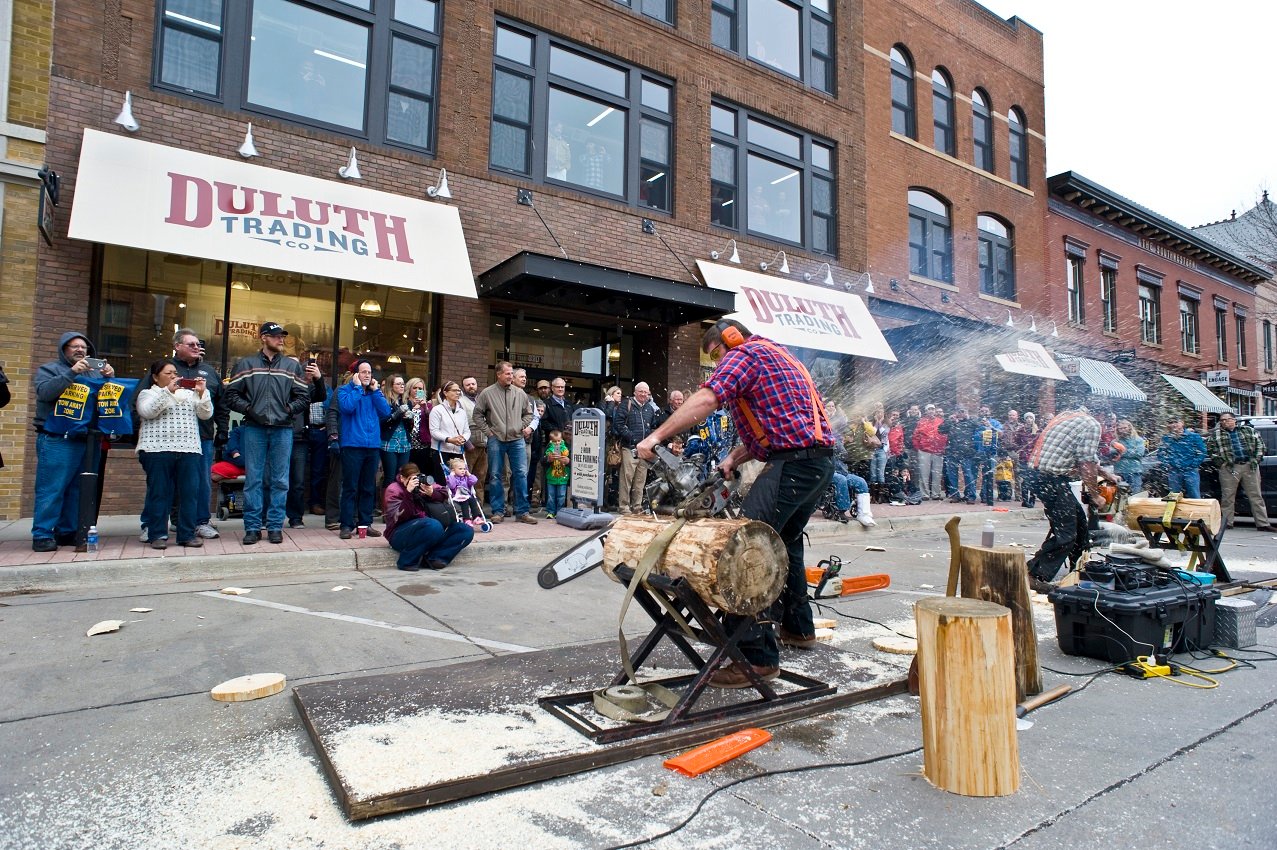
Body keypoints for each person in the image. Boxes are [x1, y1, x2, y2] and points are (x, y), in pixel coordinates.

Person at [637, 319, 835, 689]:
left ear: (730, 339)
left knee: (747, 546)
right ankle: (798, 627)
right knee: (785, 542)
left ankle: (755, 659)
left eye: (716, 356)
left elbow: (708, 398)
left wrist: (656, 436)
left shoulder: (746, 353)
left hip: (793, 464)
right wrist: (735, 458)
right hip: (816, 463)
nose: (716, 365)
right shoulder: (778, 355)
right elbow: (780, 427)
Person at [223, 322, 310, 545]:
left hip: (283, 429)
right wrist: (251, 410)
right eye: (276, 336)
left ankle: (274, 527)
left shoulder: (292, 367)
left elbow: (303, 397)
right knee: (254, 479)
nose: (281, 340)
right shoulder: (246, 364)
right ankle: (252, 527)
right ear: (263, 338)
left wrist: (288, 410)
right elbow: (231, 395)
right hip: (254, 428)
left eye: (282, 336)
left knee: (280, 480)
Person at [31, 332, 116, 552]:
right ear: (63, 349)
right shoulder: (49, 370)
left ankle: (67, 531)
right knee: (52, 488)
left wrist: (109, 379)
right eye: (74, 347)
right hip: (58, 439)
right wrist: (71, 373)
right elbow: (45, 392)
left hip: (88, 439)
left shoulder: (96, 373)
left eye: (84, 348)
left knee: (79, 489)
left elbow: (106, 403)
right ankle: (42, 534)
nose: (80, 350)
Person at [1025, 393, 1107, 590]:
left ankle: (1079, 571)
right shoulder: (1093, 424)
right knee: (1067, 533)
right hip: (1050, 478)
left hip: (1039, 476)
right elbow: (1086, 462)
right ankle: (1033, 575)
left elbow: (1087, 456)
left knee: (1080, 526)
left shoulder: (1068, 416)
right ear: (1103, 414)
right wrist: (1095, 495)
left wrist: (1107, 475)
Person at [135, 359, 212, 548]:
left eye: (175, 373)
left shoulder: (189, 393)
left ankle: (186, 534)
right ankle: (157, 534)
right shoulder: (147, 393)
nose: (173, 376)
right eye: (168, 373)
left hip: (189, 448)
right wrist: (168, 391)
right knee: (159, 492)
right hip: (157, 449)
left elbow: (205, 414)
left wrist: (202, 393)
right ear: (155, 377)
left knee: (189, 493)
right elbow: (147, 412)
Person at [171, 328, 228, 540]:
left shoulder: (210, 372)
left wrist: (223, 429)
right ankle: (174, 520)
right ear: (177, 346)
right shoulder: (166, 369)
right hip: (172, 437)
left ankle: (202, 521)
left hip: (202, 436)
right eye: (191, 344)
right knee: (172, 480)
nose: (197, 347)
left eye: (198, 344)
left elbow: (221, 405)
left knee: (202, 480)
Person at [472, 360, 536, 524]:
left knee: (521, 474)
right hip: (496, 439)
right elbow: (477, 415)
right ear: (498, 374)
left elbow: (529, 414)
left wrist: (519, 426)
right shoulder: (487, 393)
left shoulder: (520, 393)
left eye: (511, 373)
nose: (511, 376)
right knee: (495, 476)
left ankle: (522, 512)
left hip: (517, 440)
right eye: (508, 373)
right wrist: (489, 432)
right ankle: (498, 511)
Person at [335, 359, 391, 539]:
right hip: (352, 445)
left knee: (368, 488)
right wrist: (358, 388)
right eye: (363, 372)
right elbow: (347, 408)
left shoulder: (375, 393)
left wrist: (376, 392)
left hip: (372, 446)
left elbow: (386, 412)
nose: (367, 375)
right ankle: (346, 525)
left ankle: (365, 524)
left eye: (369, 372)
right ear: (355, 375)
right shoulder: (345, 391)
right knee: (350, 487)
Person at [383, 463, 473, 571]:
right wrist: (408, 493)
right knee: (433, 525)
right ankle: (407, 561)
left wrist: (432, 493)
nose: (415, 482)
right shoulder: (394, 489)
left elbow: (446, 493)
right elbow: (398, 517)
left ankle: (434, 558)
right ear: (402, 478)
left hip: (428, 529)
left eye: (416, 478)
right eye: (411, 479)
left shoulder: (422, 483)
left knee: (465, 530)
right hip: (399, 532)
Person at [1206, 412, 1274, 531]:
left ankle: (1263, 523)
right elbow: (1211, 450)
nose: (1224, 422)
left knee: (1256, 496)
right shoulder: (1216, 434)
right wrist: (1221, 464)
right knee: (1228, 496)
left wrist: (1255, 460)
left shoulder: (1248, 430)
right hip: (1229, 467)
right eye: (1222, 420)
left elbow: (1260, 446)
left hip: (1249, 466)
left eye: (1227, 419)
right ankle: (1227, 523)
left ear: (1234, 420)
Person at [286, 356, 326, 529]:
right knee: (273, 479)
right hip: (277, 434)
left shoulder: (304, 387)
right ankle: (268, 517)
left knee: (298, 481)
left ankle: (295, 517)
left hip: (300, 438)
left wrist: (318, 378)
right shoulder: (277, 384)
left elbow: (321, 395)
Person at [613, 381, 660, 514]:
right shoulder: (626, 404)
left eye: (646, 392)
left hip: (644, 450)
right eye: (641, 391)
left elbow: (653, 427)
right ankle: (624, 506)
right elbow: (619, 424)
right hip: (629, 447)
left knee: (640, 479)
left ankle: (637, 506)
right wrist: (632, 437)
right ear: (635, 392)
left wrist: (649, 440)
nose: (643, 394)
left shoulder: (650, 409)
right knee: (626, 478)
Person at [428, 381, 470, 490]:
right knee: (442, 480)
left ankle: (458, 503)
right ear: (445, 393)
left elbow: (467, 430)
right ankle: (443, 504)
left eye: (459, 390)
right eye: (454, 390)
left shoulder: (462, 412)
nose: (458, 393)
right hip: (441, 450)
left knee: (458, 481)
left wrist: (463, 438)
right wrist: (449, 439)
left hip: (457, 451)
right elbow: (434, 431)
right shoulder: (437, 410)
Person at [379, 374, 412, 504]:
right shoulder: (385, 401)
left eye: (403, 383)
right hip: (389, 442)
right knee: (390, 476)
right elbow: (382, 422)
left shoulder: (406, 401)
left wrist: (409, 419)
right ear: (391, 386)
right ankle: (387, 508)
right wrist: (396, 414)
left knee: (402, 476)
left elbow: (410, 426)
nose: (402, 386)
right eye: (398, 384)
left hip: (404, 441)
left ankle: (399, 505)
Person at [1159, 417, 1207, 498]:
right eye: (1170, 423)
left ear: (1182, 423)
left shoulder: (1194, 437)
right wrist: (1168, 464)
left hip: (1191, 471)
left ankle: (1196, 511)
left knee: (1194, 496)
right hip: (1174, 472)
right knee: (1173, 497)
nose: (1173, 425)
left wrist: (1193, 464)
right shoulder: (1166, 438)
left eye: (1176, 422)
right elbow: (1161, 454)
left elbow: (1202, 452)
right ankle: (1174, 511)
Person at [940, 407, 978, 503]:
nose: (961, 414)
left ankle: (970, 496)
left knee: (968, 475)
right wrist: (949, 420)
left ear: (966, 413)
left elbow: (979, 426)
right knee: (952, 475)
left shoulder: (971, 422)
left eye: (963, 412)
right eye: (959, 412)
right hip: (952, 452)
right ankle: (954, 495)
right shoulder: (952, 422)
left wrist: (968, 418)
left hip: (966, 453)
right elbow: (940, 430)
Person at [911, 404, 946, 500]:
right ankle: (924, 494)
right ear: (926, 411)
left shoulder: (941, 421)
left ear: (935, 411)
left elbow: (945, 434)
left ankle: (936, 494)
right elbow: (916, 436)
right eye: (929, 409)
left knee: (937, 474)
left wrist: (942, 447)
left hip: (938, 451)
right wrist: (919, 447)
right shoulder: (921, 422)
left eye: (932, 409)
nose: (931, 411)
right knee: (923, 473)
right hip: (924, 451)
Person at [445, 456, 485, 526]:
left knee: (473, 499)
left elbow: (474, 481)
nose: (463, 470)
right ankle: (467, 519)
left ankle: (476, 517)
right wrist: (451, 475)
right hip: (457, 497)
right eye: (460, 469)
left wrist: (468, 474)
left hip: (467, 496)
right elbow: (451, 485)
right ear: (453, 470)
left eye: (464, 469)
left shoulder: (466, 478)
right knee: (465, 501)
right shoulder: (451, 478)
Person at [1111, 419, 1146, 494]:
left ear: (1130, 428)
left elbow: (1139, 453)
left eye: (1125, 428)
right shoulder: (1115, 442)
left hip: (1134, 471)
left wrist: (1123, 451)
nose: (1123, 430)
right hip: (1119, 472)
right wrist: (1127, 452)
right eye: (1120, 428)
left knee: (1135, 494)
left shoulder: (1138, 440)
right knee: (1119, 495)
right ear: (1117, 430)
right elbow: (1112, 455)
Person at [543, 428, 570, 519]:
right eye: (555, 441)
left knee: (561, 496)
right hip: (551, 477)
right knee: (551, 496)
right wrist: (550, 457)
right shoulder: (549, 448)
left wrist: (562, 449)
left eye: (559, 441)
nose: (557, 443)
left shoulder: (565, 447)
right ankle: (550, 512)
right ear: (551, 441)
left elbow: (567, 452)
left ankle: (559, 512)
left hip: (562, 477)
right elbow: (544, 457)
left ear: (562, 440)